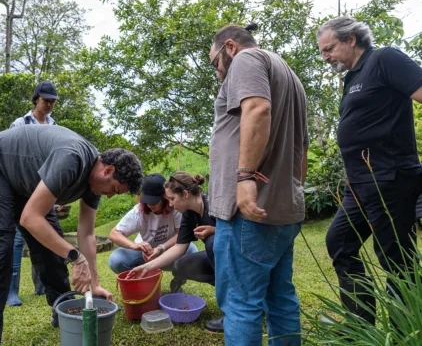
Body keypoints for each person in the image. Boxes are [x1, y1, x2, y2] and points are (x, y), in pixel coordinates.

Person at [0, 125, 143, 346]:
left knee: (52, 250)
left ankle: (64, 314)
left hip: (26, 185)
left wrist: (94, 284)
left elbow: (86, 233)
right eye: (114, 190)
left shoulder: (94, 183)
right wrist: (76, 257)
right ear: (108, 170)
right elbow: (30, 218)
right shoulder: (72, 158)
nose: (109, 196)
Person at [208, 23, 308, 345]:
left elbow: (257, 107)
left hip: (246, 213)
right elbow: (302, 148)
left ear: (230, 47)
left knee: (240, 303)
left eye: (215, 63)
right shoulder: (291, 78)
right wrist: (293, 190)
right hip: (283, 209)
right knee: (280, 297)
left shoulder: (246, 61)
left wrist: (245, 177)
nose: (218, 73)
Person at [317, 17, 422, 325]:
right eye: (322, 52)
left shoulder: (384, 59)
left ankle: (406, 329)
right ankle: (360, 325)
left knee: (396, 259)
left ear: (351, 39)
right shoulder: (353, 76)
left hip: (390, 178)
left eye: (329, 49)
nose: (326, 57)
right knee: (340, 242)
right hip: (361, 184)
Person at [126, 172, 224, 333]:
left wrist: (215, 230)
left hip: (240, 259)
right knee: (182, 265)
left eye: (172, 199)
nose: (170, 204)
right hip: (219, 257)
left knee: (213, 243)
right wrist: (147, 267)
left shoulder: (215, 203)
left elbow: (241, 232)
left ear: (185, 194)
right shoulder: (189, 213)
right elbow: (179, 247)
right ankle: (227, 287)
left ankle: (234, 310)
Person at [7, 80, 58, 306]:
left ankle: (43, 285)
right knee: (18, 240)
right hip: (21, 187)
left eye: (52, 102)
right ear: (36, 99)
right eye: (45, 100)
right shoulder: (19, 124)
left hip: (44, 188)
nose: (49, 105)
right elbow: (10, 156)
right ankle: (12, 291)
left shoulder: (54, 126)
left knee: (45, 237)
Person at [108, 173, 198, 293]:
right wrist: (135, 246)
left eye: (154, 201)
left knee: (192, 253)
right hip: (145, 254)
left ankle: (178, 281)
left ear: (164, 197)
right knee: (116, 259)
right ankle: (146, 282)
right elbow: (114, 234)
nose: (150, 205)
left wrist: (161, 248)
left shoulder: (175, 207)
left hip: (170, 250)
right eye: (147, 200)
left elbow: (181, 234)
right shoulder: (139, 211)